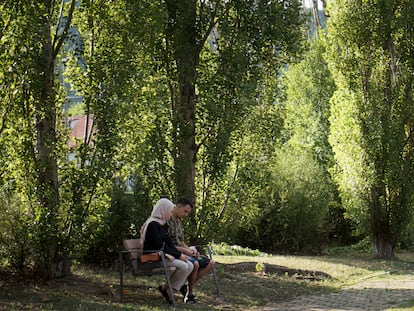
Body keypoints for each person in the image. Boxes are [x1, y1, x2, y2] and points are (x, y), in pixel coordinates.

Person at [140, 198, 193, 304]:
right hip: (152, 258)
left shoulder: (162, 224)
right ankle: (168, 291)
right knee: (184, 266)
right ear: (163, 210)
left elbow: (168, 244)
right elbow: (160, 245)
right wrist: (178, 255)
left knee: (190, 265)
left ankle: (169, 290)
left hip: (162, 256)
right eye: (169, 211)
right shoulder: (153, 224)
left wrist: (179, 254)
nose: (170, 214)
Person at [168, 197, 215, 304]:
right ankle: (189, 293)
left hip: (183, 251)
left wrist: (190, 250)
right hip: (173, 253)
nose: (186, 215)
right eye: (185, 211)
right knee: (196, 264)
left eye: (188, 213)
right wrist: (186, 251)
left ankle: (183, 286)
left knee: (210, 263)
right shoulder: (167, 220)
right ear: (178, 206)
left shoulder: (179, 222)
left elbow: (181, 241)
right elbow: (168, 245)